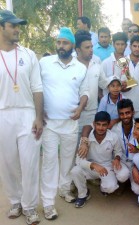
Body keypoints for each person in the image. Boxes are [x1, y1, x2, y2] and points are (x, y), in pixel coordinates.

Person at [39, 27, 88, 220]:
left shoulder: (80, 68)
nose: (60, 46)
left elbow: (85, 92)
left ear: (72, 46)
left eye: (65, 42)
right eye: (58, 42)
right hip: (49, 123)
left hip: (70, 123)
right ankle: (48, 203)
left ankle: (64, 189)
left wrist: (80, 107)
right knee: (50, 162)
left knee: (67, 160)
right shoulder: (44, 63)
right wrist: (39, 109)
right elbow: (35, 87)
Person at [0, 9, 43, 225]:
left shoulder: (28, 54)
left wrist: (38, 117)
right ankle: (15, 201)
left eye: (18, 26)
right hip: (3, 114)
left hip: (27, 113)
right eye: (12, 25)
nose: (17, 29)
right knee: (7, 163)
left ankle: (29, 206)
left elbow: (37, 87)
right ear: (1, 27)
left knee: (30, 163)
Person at [71, 111, 130, 207]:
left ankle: (103, 187)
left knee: (110, 188)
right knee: (75, 171)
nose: (100, 128)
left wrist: (117, 158)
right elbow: (79, 161)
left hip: (106, 167)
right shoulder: (86, 139)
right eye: (98, 124)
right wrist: (93, 165)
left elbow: (118, 151)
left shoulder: (113, 136)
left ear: (108, 125)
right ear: (94, 124)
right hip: (90, 167)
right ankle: (83, 194)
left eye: (104, 125)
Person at [74, 30, 108, 137]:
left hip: (92, 112)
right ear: (78, 50)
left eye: (91, 47)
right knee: (72, 148)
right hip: (74, 113)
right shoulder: (71, 65)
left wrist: (120, 83)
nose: (91, 50)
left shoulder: (97, 63)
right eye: (87, 48)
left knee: (88, 146)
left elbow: (104, 84)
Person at [121, 35, 139, 118]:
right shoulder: (122, 61)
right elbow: (117, 82)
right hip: (124, 102)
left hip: (138, 103)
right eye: (134, 46)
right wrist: (122, 86)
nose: (137, 49)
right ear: (130, 47)